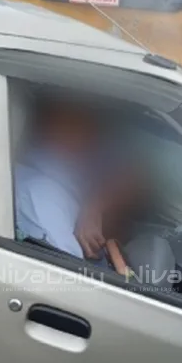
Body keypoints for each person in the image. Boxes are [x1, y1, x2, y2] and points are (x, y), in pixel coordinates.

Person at [13, 95, 141, 263]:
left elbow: (133, 175)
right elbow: (67, 275)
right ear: (48, 125)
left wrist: (93, 208)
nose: (92, 133)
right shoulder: (38, 196)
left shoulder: (74, 161)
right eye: (72, 122)